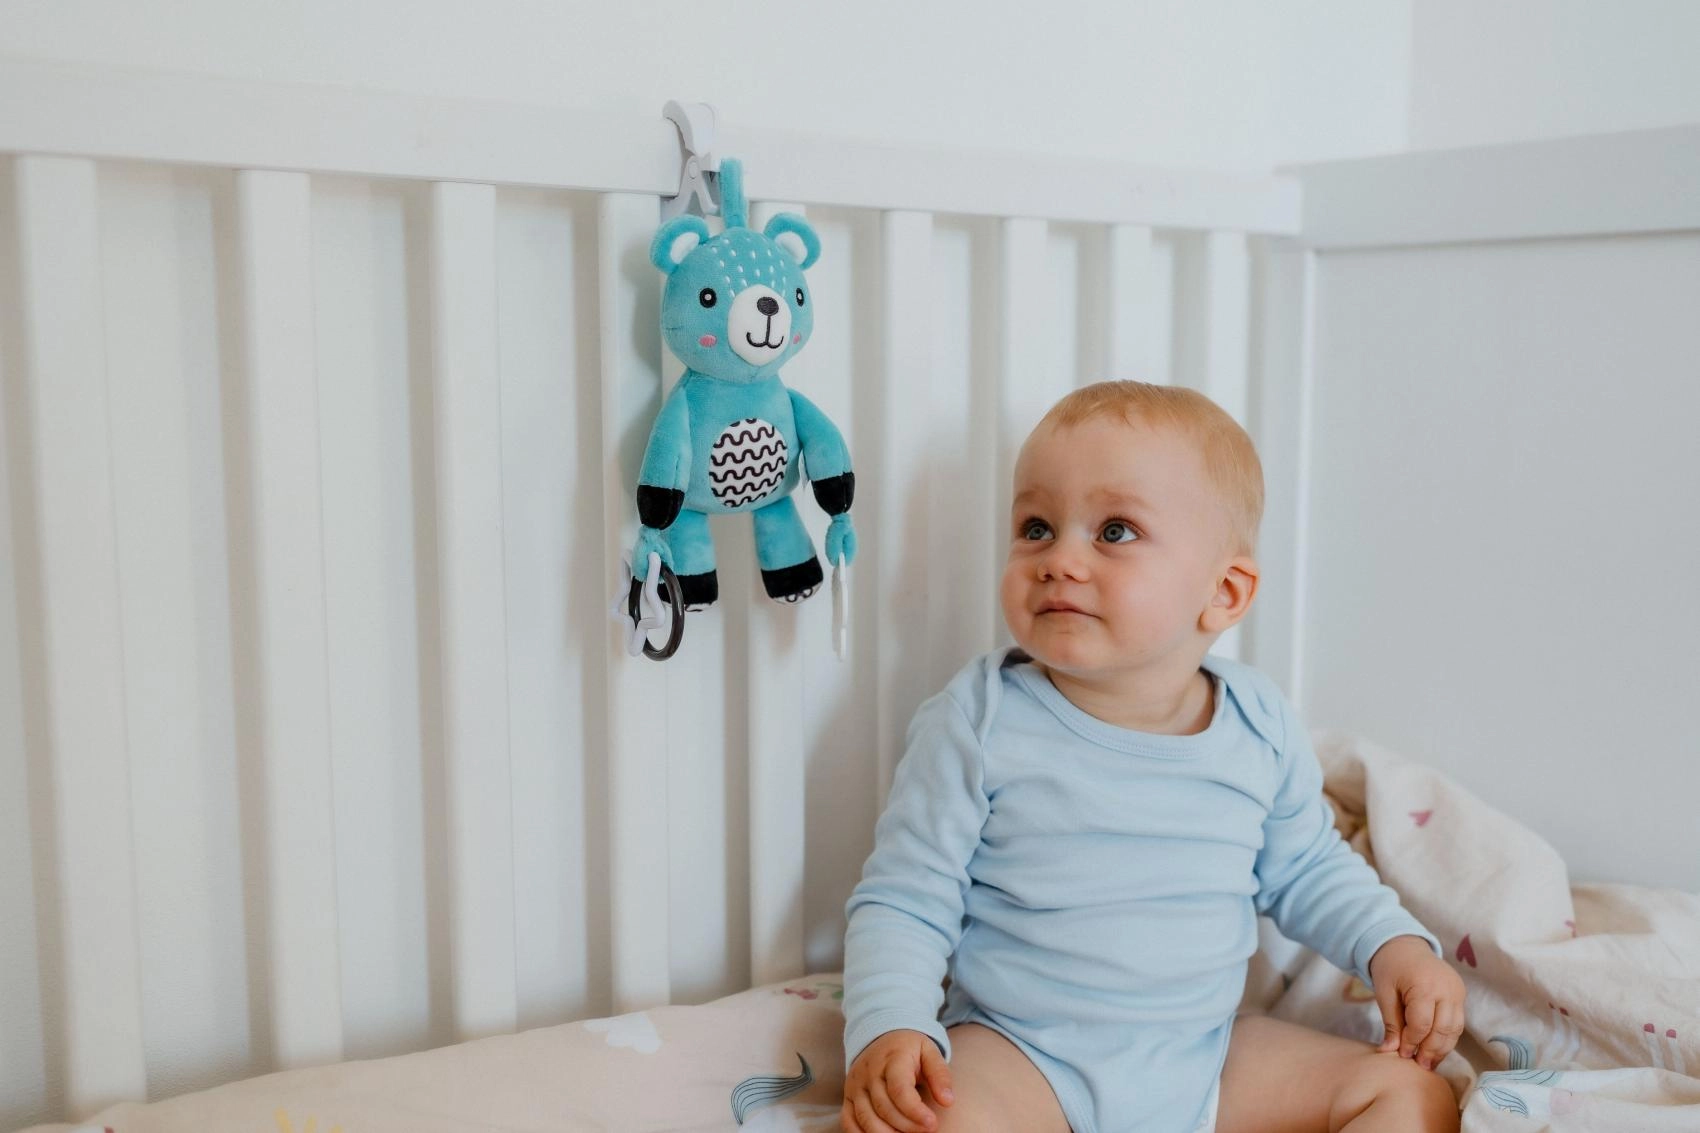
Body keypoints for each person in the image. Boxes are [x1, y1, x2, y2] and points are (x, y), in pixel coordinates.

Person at [840, 381, 1466, 1133]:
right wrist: (891, 1024)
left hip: (1207, 1055)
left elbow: (1307, 867)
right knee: (915, 1123)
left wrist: (1394, 947)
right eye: (1036, 527)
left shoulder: (1257, 724)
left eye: (1114, 531)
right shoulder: (979, 719)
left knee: (1412, 1095)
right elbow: (907, 897)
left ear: (1224, 592)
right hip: (1023, 1055)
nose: (1059, 559)